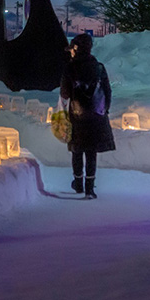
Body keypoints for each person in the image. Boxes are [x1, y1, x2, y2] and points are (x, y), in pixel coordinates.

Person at [59, 33, 115, 199]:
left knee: (77, 150)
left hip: (77, 116)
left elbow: (65, 93)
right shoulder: (99, 67)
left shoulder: (70, 68)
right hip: (97, 116)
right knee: (91, 152)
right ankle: (90, 188)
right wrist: (104, 110)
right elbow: (107, 91)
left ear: (75, 49)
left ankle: (78, 183)